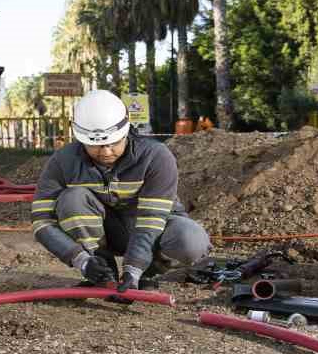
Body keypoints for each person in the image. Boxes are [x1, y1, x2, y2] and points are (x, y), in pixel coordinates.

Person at [31, 90, 211, 291]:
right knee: (72, 199)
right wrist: (82, 260)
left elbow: (151, 219)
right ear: (81, 139)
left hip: (152, 230)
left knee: (191, 241)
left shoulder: (155, 157)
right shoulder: (62, 162)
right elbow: (41, 222)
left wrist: (134, 270)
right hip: (105, 234)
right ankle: (102, 272)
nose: (106, 152)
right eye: (96, 145)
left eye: (114, 143)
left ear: (126, 130)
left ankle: (148, 272)